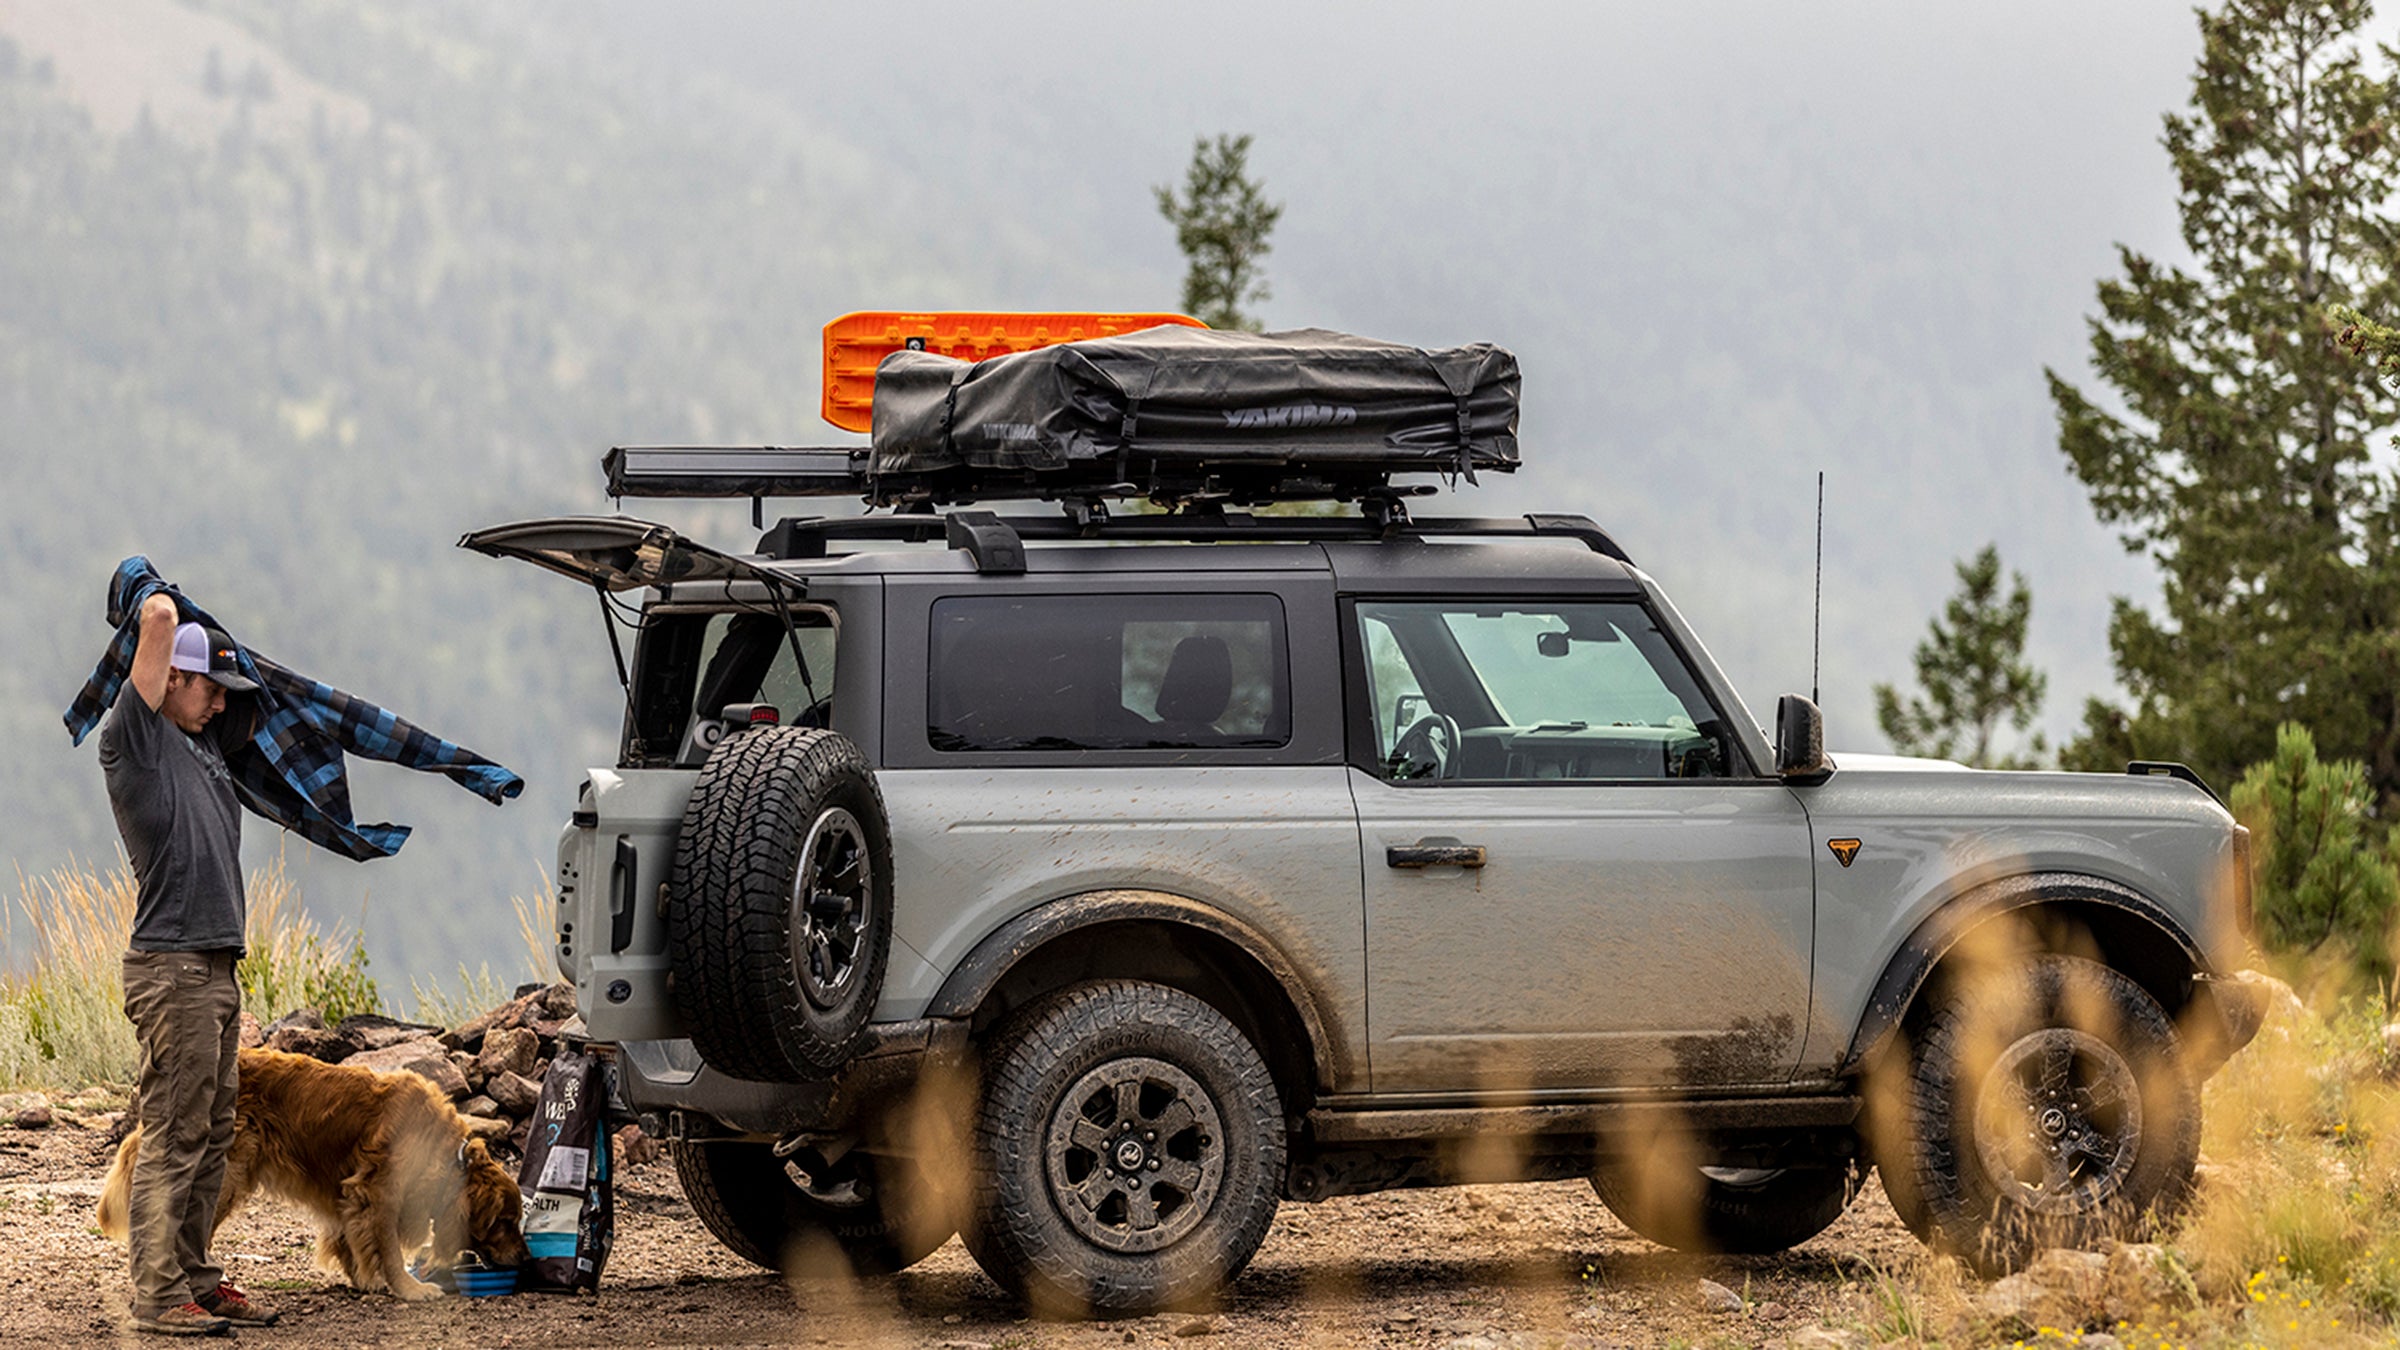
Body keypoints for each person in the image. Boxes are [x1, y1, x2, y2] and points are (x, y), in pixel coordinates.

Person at [99, 593, 281, 1336]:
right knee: (175, 1132)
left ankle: (194, 1275)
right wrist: (167, 600)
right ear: (169, 679)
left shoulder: (201, 747)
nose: (218, 706)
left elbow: (242, 708)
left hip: (211, 966)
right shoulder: (135, 739)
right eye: (209, 688)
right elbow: (161, 617)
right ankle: (156, 1292)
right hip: (171, 966)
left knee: (211, 1131)